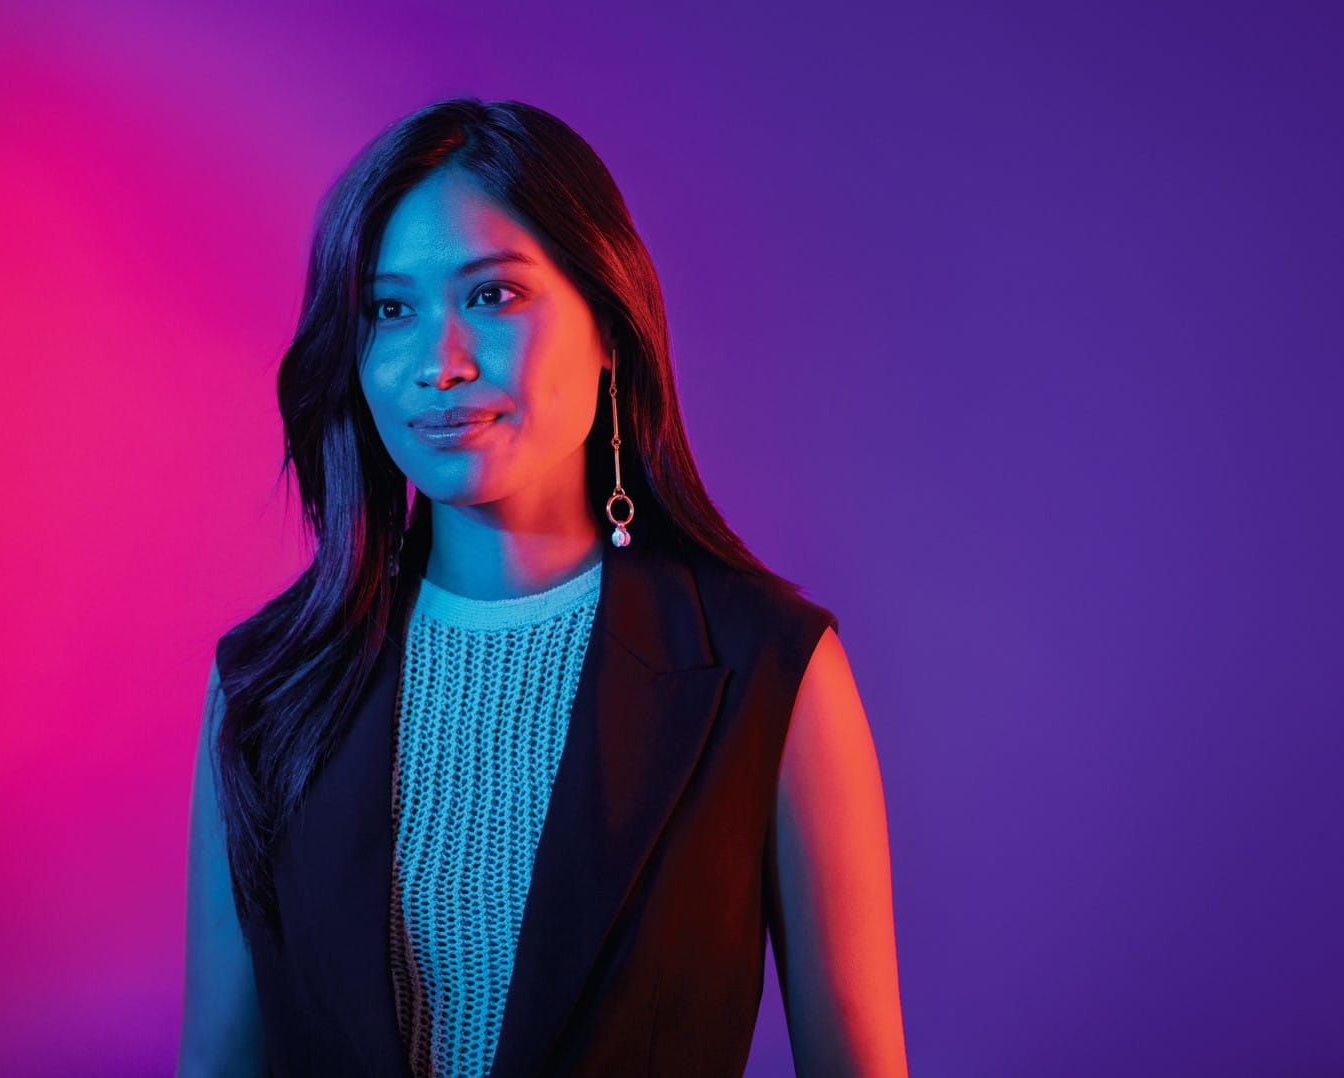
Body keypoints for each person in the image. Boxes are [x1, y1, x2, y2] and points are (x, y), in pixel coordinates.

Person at [180, 98, 907, 1077]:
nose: (439, 364)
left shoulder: (765, 669)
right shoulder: (267, 686)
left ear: (609, 325)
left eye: (493, 296)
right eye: (390, 310)